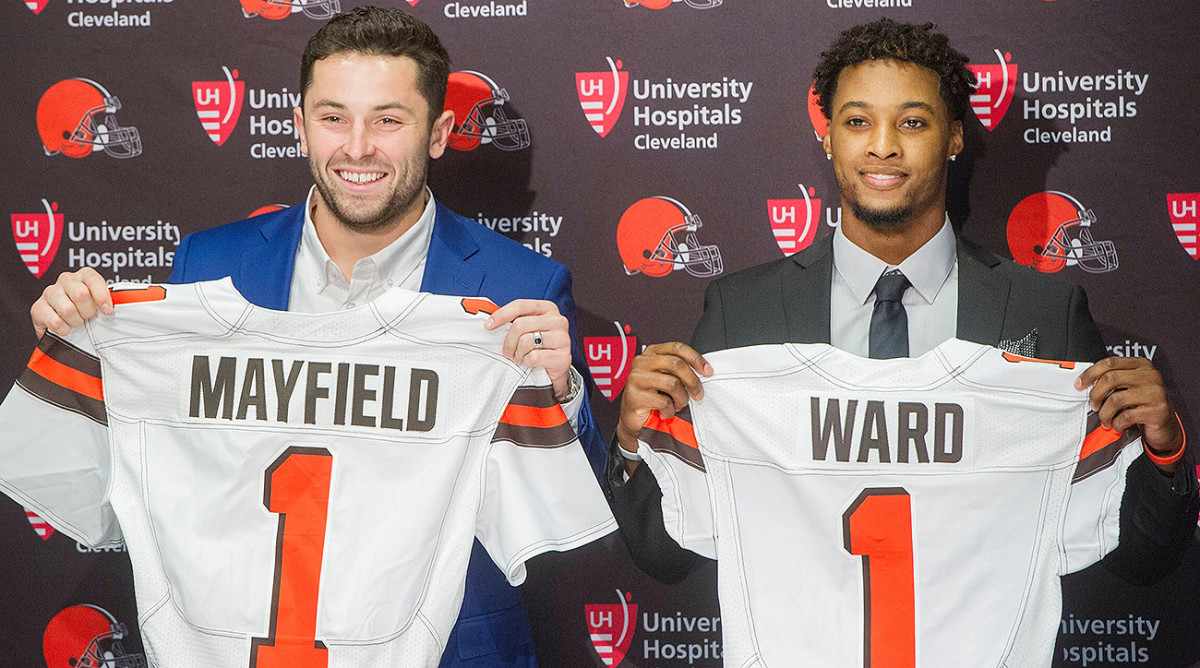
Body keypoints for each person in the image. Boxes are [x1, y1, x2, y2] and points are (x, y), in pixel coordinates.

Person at [29, 7, 605, 667]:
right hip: (244, 645)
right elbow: (141, 470)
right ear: (300, 127)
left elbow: (571, 529)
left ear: (440, 133)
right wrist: (78, 353)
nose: (357, 147)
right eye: (334, 117)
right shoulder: (210, 266)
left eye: (388, 120)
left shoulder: (519, 285)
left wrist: (558, 397)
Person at [610, 19, 1197, 587]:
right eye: (858, 121)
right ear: (829, 136)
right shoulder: (744, 311)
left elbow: (1138, 560)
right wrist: (636, 442)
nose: (883, 146)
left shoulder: (1044, 310)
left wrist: (1164, 451)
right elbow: (668, 557)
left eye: (912, 122)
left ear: (955, 135)